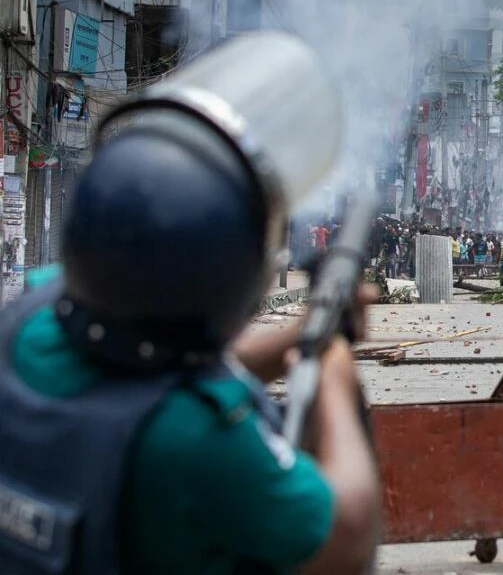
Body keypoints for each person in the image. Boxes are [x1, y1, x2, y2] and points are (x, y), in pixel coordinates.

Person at [0, 111, 381, 573]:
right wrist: (335, 378)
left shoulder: (30, 316)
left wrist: (303, 334)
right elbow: (348, 536)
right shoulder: (202, 438)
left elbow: (150, 373)